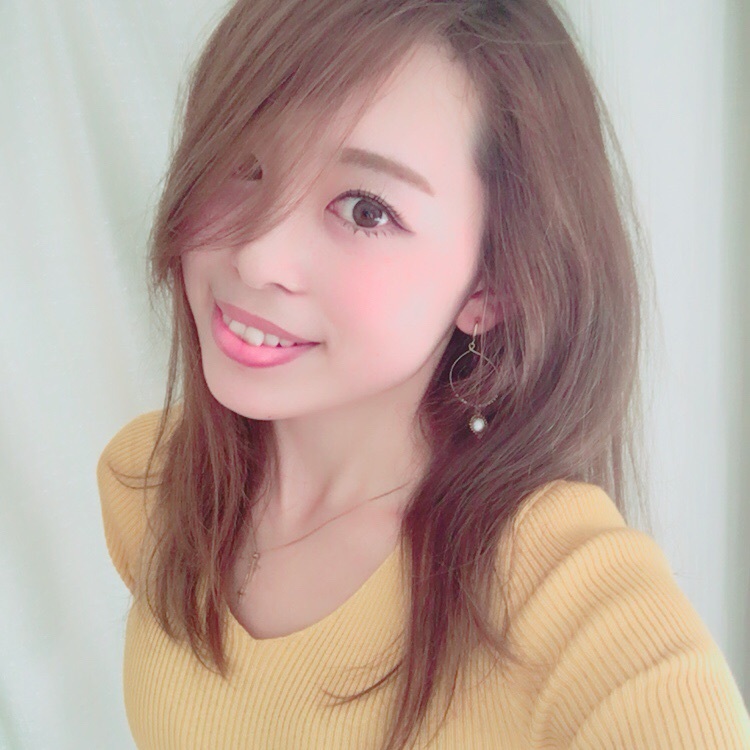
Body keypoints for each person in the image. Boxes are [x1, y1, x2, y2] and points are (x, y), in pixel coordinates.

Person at [96, 0, 750, 747]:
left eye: (365, 210)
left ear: (491, 286)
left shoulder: (555, 588)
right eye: (243, 167)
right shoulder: (151, 484)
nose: (256, 256)